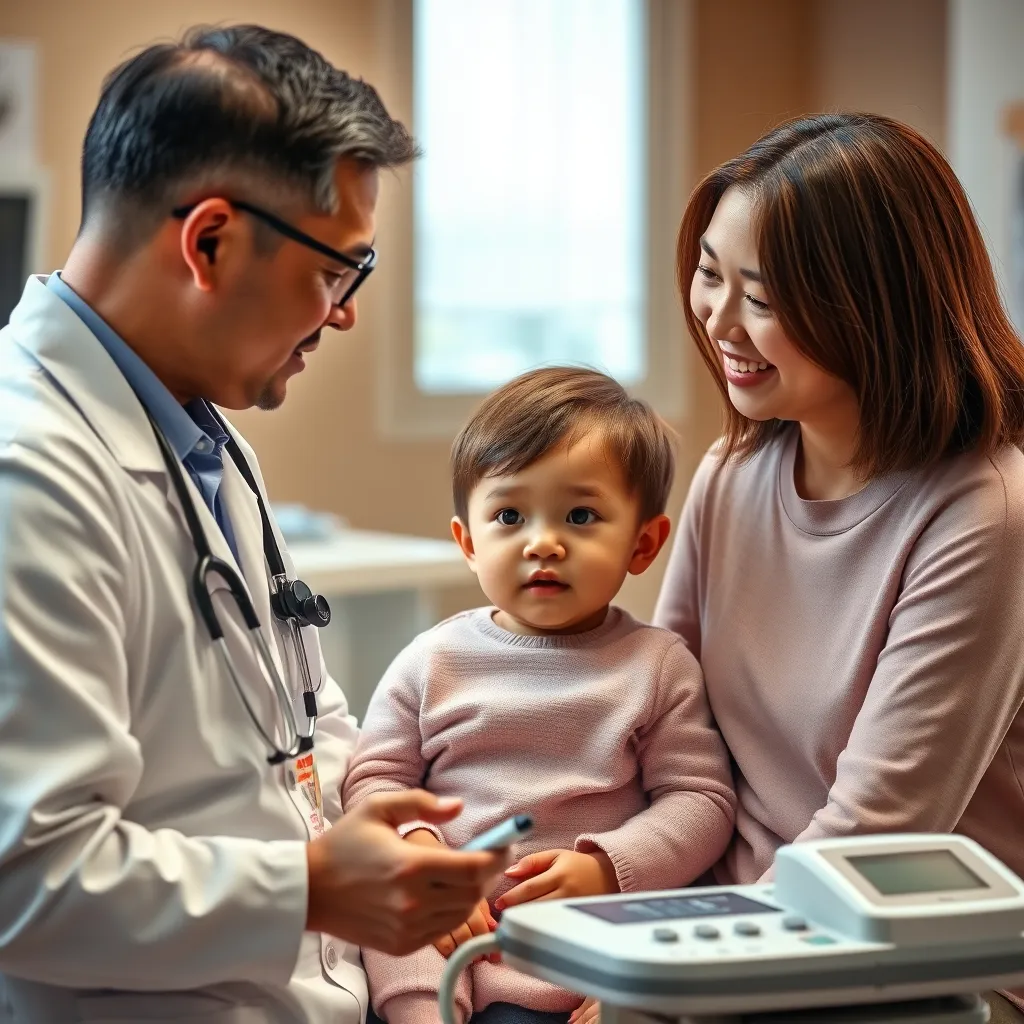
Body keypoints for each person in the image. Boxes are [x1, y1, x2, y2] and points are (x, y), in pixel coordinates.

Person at [0, 24, 507, 1024]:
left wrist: (372, 812)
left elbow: (294, 716)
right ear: (211, 241)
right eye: (336, 272)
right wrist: (314, 887)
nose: (346, 313)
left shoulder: (204, 437)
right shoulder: (29, 475)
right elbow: (28, 880)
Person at [653, 112, 1024, 1022]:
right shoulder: (733, 473)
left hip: (914, 960)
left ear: (874, 304)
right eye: (709, 275)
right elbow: (656, 724)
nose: (720, 321)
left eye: (764, 296)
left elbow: (875, 832)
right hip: (729, 926)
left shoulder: (985, 509)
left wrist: (663, 970)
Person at [344, 366, 736, 1024]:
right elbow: (375, 776)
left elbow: (701, 801)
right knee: (396, 927)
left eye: (580, 516)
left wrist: (609, 869)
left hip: (585, 929)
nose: (543, 542)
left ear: (643, 544)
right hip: (448, 920)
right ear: (469, 542)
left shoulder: (656, 666)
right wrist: (421, 850)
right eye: (509, 516)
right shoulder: (433, 658)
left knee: (650, 960)